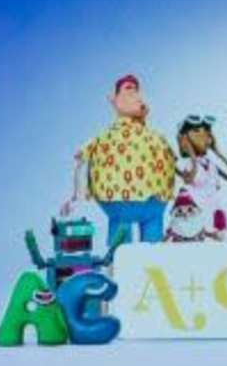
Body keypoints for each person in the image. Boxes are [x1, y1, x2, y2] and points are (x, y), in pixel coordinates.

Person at [76, 75, 178, 251]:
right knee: (121, 241)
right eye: (128, 89)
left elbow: (173, 159)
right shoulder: (105, 136)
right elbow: (82, 157)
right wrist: (76, 194)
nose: (134, 95)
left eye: (136, 90)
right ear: (113, 98)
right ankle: (120, 265)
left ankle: (152, 266)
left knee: (153, 241)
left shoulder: (154, 136)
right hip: (116, 196)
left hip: (155, 198)